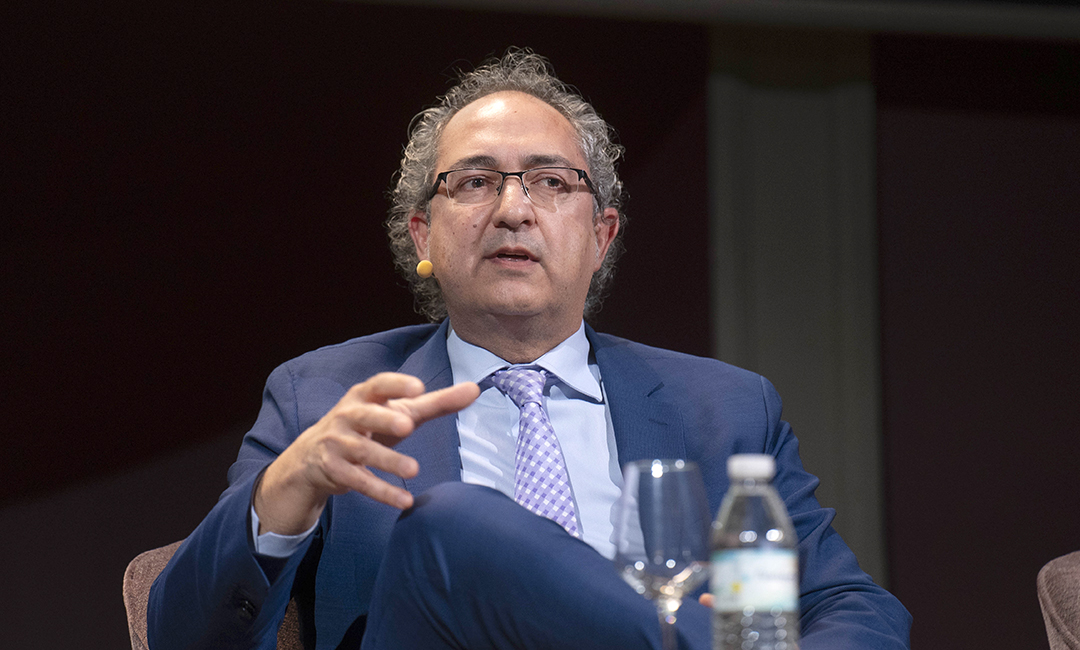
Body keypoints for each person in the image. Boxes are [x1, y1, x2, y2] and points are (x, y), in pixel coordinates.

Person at [148, 49, 911, 650]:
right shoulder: (325, 397)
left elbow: (853, 608)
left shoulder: (725, 408)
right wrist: (288, 486)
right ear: (423, 235)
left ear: (601, 237)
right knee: (452, 523)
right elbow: (185, 635)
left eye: (550, 182)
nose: (514, 209)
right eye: (475, 182)